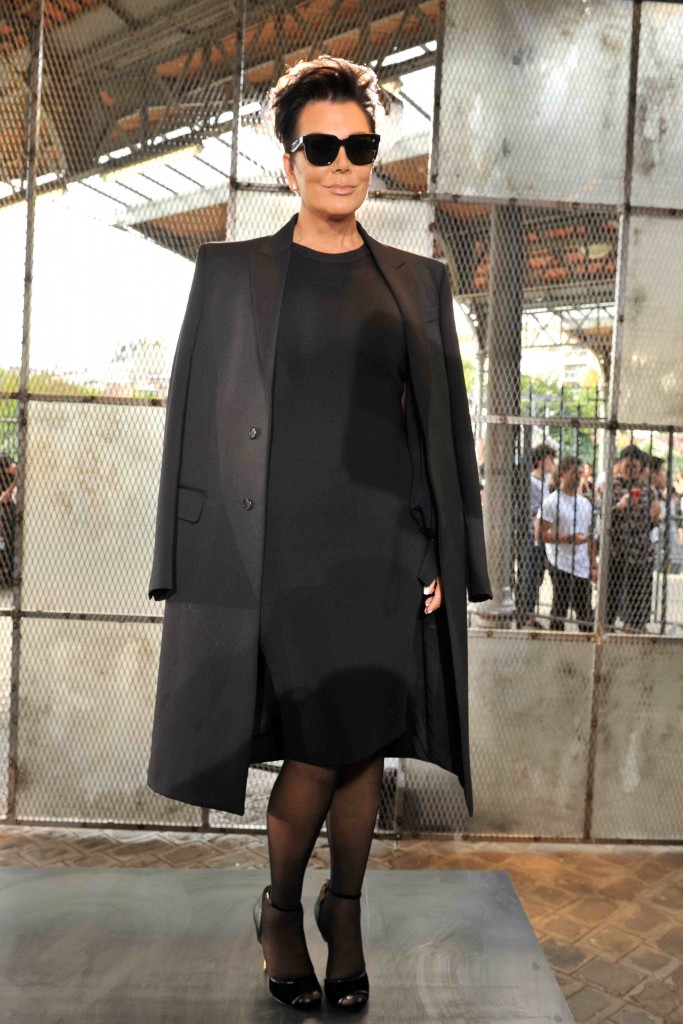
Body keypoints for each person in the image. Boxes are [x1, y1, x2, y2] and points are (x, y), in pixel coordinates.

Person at [146, 55, 490, 1013]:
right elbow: (191, 420)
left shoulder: (416, 282)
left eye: (361, 146)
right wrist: (179, 560)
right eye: (323, 146)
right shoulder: (231, 274)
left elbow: (441, 432)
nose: (343, 163)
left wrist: (442, 553)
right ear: (289, 159)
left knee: (364, 746)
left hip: (380, 556)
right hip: (276, 559)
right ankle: (282, 910)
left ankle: (345, 913)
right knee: (316, 747)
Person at [605, 445, 660, 632]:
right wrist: (619, 506)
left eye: (634, 466)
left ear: (640, 468)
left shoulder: (647, 490)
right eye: (627, 465)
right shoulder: (611, 486)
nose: (630, 469)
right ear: (620, 464)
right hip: (616, 550)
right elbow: (602, 516)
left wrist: (654, 517)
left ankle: (635, 627)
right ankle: (606, 627)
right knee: (611, 593)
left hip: (639, 551)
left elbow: (652, 523)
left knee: (637, 593)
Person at [539, 455, 596, 632]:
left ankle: (588, 643)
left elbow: (590, 536)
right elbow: (540, 534)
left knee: (584, 611)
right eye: (574, 473)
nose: (579, 477)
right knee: (560, 607)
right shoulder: (552, 502)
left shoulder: (585, 503)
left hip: (581, 563)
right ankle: (555, 641)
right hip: (560, 562)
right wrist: (569, 538)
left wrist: (593, 564)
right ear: (563, 473)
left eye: (581, 473)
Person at [516, 442, 556, 628]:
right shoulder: (533, 483)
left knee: (536, 577)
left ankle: (528, 613)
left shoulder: (544, 483)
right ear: (540, 461)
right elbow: (533, 512)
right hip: (532, 537)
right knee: (529, 577)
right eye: (550, 459)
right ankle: (525, 615)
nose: (553, 463)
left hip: (540, 536)